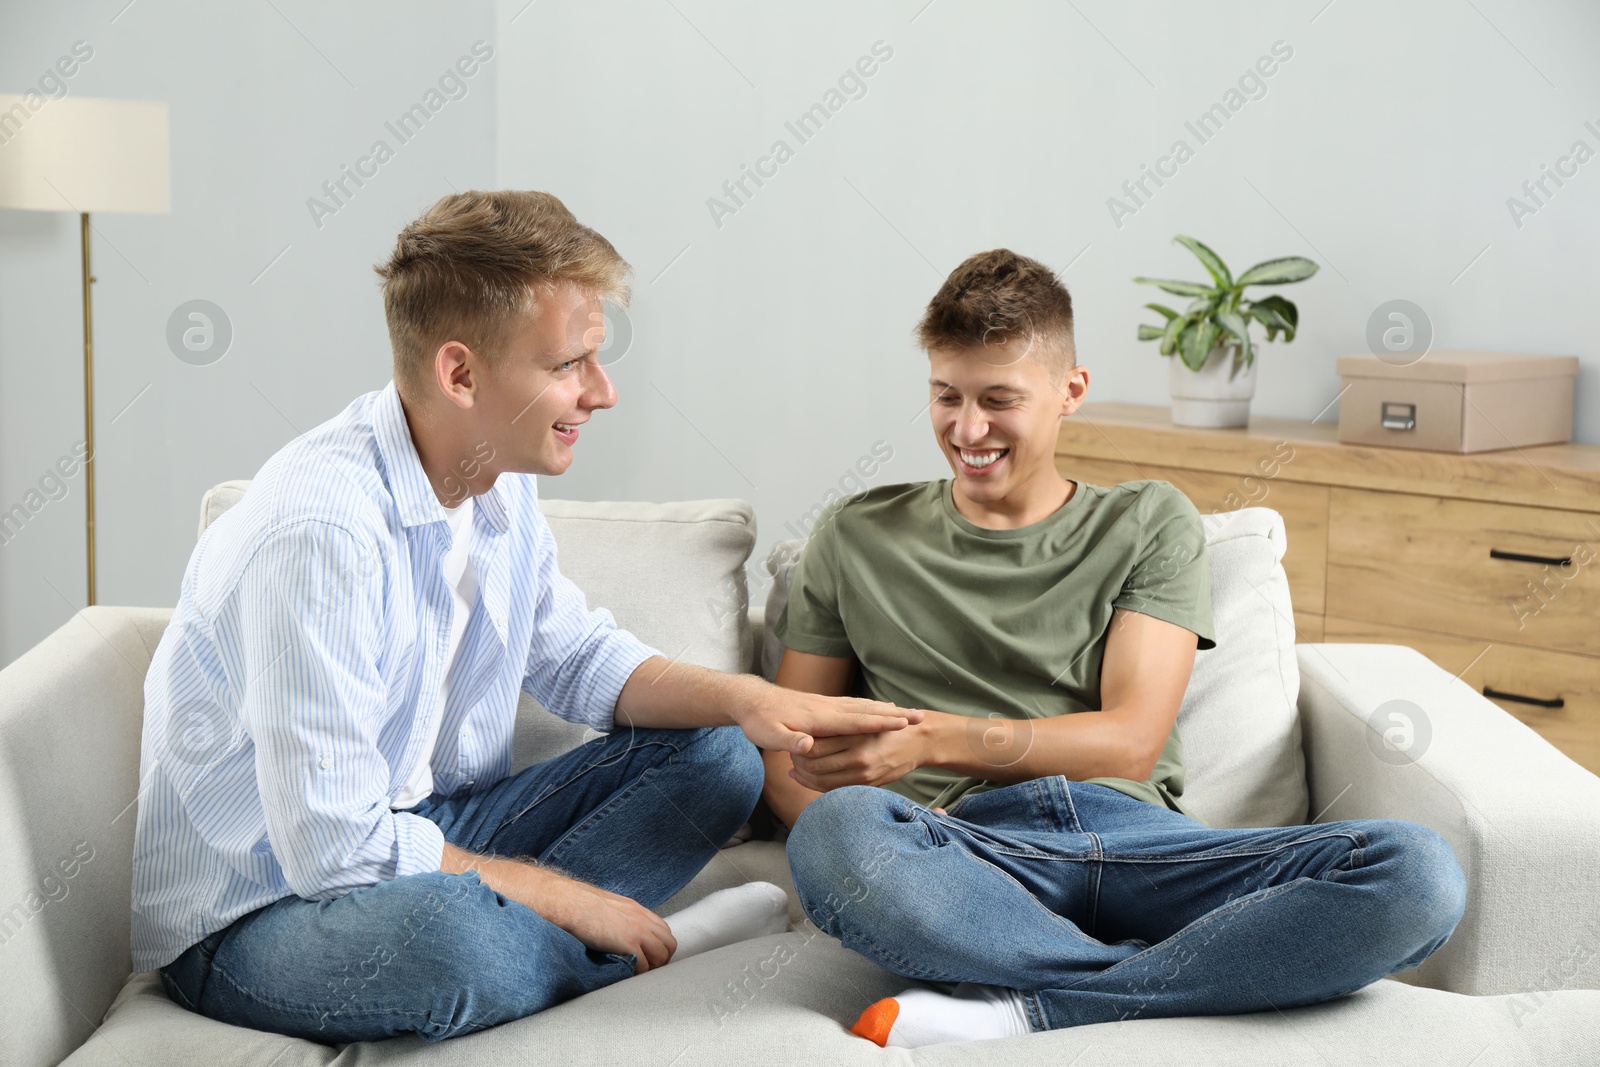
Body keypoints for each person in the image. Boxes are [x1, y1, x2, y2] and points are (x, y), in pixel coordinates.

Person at [131, 190, 924, 1044]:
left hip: (418, 833)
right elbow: (330, 845)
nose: (604, 391)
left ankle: (566, 939)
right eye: (568, 364)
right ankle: (615, 949)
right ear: (460, 373)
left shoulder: (494, 477)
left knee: (723, 752)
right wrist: (566, 896)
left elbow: (578, 658)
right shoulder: (320, 534)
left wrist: (746, 698)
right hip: (260, 909)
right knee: (466, 944)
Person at [761, 248, 1468, 1047]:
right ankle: (1176, 976)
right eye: (945, 396)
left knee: (1418, 872)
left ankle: (1036, 1005)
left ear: (1071, 392)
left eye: (999, 400)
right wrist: (840, 801)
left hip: (1144, 847)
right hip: (965, 853)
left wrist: (936, 739)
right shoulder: (856, 534)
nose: (967, 428)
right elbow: (790, 759)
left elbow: (1130, 740)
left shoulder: (1147, 520)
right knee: (836, 836)